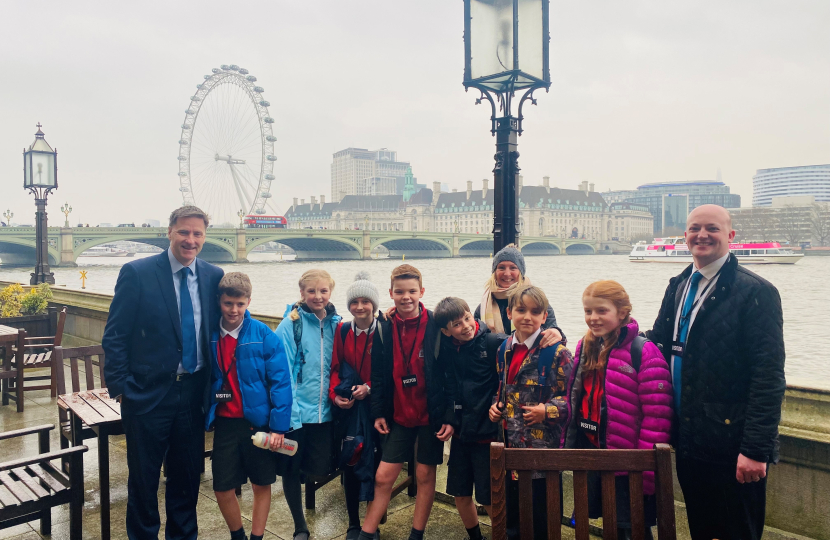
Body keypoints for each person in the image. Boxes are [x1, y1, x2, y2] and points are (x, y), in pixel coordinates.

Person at [646, 204, 786, 540]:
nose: (702, 235)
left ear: (730, 236)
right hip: (689, 439)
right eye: (695, 228)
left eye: (712, 228)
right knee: (701, 529)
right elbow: (658, 343)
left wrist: (755, 450)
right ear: (685, 236)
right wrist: (605, 336)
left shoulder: (756, 292)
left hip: (732, 443)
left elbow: (768, 376)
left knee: (737, 532)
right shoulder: (678, 285)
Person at [103, 206, 224, 540]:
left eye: (197, 234)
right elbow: (115, 335)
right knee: (143, 479)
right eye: (184, 232)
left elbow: (230, 324)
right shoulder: (137, 273)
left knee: (186, 478)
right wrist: (121, 387)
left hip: (193, 393)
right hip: (146, 394)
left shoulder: (214, 276)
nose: (190, 240)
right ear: (169, 231)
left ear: (204, 237)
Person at [435, 296, 562, 540]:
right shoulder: (448, 349)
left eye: (466, 318)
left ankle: (504, 535)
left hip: (488, 434)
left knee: (488, 496)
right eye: (457, 324)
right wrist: (450, 418)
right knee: (460, 493)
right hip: (462, 434)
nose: (465, 326)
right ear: (446, 331)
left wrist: (556, 332)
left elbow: (523, 352)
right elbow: (450, 387)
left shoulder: (494, 341)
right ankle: (475, 537)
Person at [562, 280, 673, 540]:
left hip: (627, 462)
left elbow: (657, 418)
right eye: (588, 311)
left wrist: (644, 471)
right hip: (593, 452)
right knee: (608, 526)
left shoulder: (643, 352)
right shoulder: (585, 346)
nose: (593, 318)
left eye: (602, 311)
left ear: (622, 312)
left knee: (632, 528)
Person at [357, 265, 455, 540]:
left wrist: (449, 416)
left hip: (430, 416)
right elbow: (377, 373)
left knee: (425, 476)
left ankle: (416, 533)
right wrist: (378, 412)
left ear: (422, 292)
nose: (406, 297)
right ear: (390, 294)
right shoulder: (384, 328)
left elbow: (450, 373)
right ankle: (367, 532)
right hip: (399, 414)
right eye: (399, 292)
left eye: (412, 291)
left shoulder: (437, 324)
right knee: (383, 476)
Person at [206, 272, 292, 540]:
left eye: (240, 304)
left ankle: (256, 536)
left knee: (262, 483)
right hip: (225, 422)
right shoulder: (208, 335)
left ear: (248, 302)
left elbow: (281, 382)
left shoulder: (263, 334)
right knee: (221, 486)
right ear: (219, 301)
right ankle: (237, 535)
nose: (234, 310)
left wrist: (278, 427)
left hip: (258, 422)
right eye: (228, 304)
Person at [487, 285, 573, 540]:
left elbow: (571, 400)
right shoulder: (503, 349)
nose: (527, 317)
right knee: (512, 518)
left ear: (545, 317)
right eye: (521, 310)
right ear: (509, 312)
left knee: (543, 520)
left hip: (542, 454)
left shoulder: (558, 353)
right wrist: (496, 406)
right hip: (509, 451)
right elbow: (503, 388)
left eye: (535, 312)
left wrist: (547, 411)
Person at [275, 269, 342, 540]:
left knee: (319, 467)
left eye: (323, 291)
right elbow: (283, 374)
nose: (318, 296)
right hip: (297, 414)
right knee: (291, 470)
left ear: (330, 292)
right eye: (311, 291)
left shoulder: (338, 324)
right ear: (301, 293)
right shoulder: (290, 326)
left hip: (325, 412)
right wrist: (289, 415)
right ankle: (299, 525)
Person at [329, 272, 382, 540]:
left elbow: (389, 369)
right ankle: (352, 523)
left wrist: (369, 387)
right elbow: (336, 368)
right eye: (354, 302)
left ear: (374, 304)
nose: (360, 307)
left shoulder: (384, 330)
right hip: (350, 408)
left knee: (378, 465)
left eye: (365, 301)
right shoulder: (343, 330)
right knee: (351, 461)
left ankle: (374, 522)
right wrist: (334, 396)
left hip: (377, 407)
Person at [474, 243, 564, 338]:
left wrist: (556, 331)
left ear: (521, 272)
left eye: (513, 268)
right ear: (494, 272)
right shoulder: (483, 306)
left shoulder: (537, 301)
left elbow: (553, 332)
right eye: (501, 267)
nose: (507, 273)